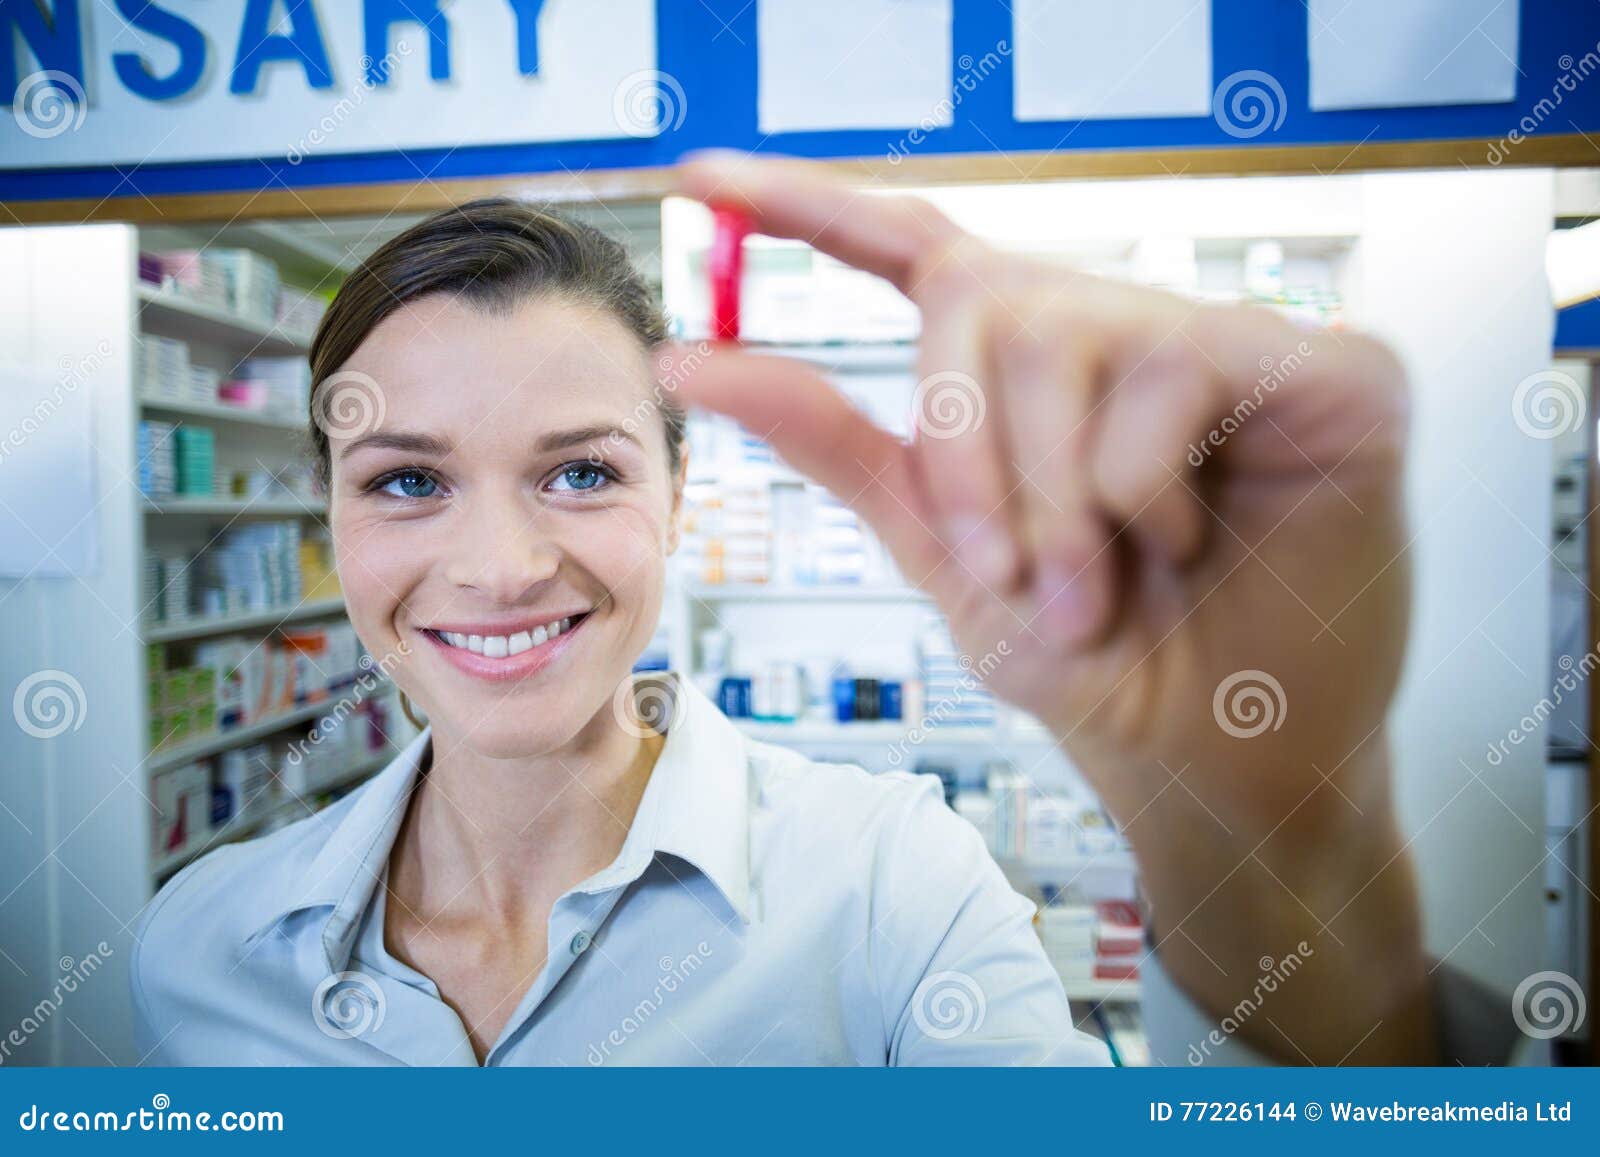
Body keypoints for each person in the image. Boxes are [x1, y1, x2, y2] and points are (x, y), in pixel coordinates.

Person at [131, 154, 1513, 1066]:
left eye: (581, 469)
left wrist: (1273, 854)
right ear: (330, 518)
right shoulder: (198, 944)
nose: (499, 563)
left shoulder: (900, 892)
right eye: (409, 478)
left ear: (679, 494)